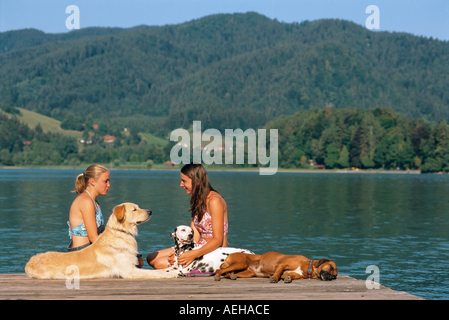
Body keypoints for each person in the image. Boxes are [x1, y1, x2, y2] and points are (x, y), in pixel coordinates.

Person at [147, 163, 228, 269]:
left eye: (184, 181)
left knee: (159, 263)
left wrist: (194, 254)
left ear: (197, 181)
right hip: (196, 247)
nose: (181, 185)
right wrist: (179, 251)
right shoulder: (197, 198)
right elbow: (194, 234)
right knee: (151, 258)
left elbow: (218, 240)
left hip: (213, 252)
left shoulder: (214, 201)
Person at [67, 164, 109, 252]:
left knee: (138, 261)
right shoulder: (86, 201)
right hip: (80, 254)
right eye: (106, 181)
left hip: (90, 252)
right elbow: (93, 238)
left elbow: (103, 234)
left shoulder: (95, 203)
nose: (108, 185)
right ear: (92, 181)